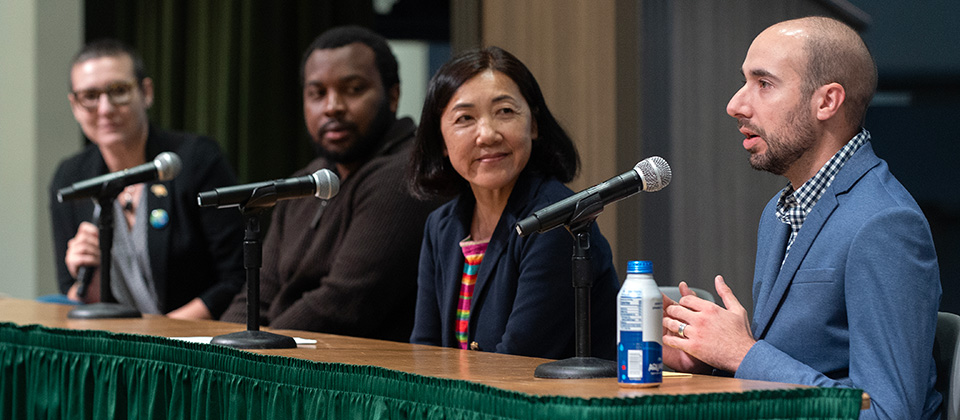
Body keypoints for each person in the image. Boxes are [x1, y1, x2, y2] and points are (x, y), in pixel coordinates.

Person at [661, 17, 942, 419]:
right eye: (745, 82)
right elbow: (795, 367)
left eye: (763, 84)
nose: (736, 105)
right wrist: (711, 359)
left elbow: (888, 412)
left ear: (826, 101)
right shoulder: (778, 213)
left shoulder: (886, 223)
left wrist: (742, 352)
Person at [219, 26, 439, 342]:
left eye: (353, 89)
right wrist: (217, 352)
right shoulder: (303, 181)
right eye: (317, 93)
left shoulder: (407, 175)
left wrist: (258, 351)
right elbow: (258, 295)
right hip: (288, 358)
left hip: (356, 378)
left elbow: (342, 304)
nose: (332, 106)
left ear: (393, 96)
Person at [408, 46, 620, 360]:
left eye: (505, 112)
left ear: (533, 125)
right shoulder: (441, 225)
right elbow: (424, 350)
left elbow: (516, 363)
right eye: (465, 118)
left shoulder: (555, 220)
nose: (487, 134)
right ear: (440, 140)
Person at [50, 39, 244, 319]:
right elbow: (70, 292)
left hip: (192, 341)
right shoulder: (71, 177)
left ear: (146, 92)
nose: (105, 108)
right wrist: (86, 280)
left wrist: (160, 335)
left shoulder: (196, 160)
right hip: (117, 341)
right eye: (90, 96)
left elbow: (236, 279)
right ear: (74, 105)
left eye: (118, 91)